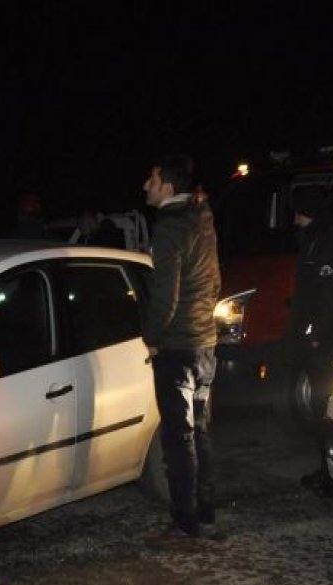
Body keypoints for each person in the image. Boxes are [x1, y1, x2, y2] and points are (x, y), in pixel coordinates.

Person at [141, 154, 222, 542]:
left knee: (179, 436)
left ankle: (184, 521)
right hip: (205, 343)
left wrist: (153, 338)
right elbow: (214, 282)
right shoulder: (202, 221)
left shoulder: (170, 227)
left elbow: (165, 294)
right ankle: (205, 511)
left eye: (151, 180)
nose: (146, 186)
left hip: (177, 348)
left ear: (168, 187)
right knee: (201, 429)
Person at [287, 185, 333, 497]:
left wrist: (314, 334)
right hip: (317, 339)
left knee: (326, 407)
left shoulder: (324, 242)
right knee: (318, 406)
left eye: (298, 211)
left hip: (325, 342)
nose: (294, 219)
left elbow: (328, 296)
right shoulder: (314, 240)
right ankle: (328, 470)